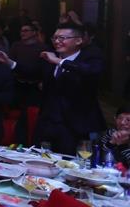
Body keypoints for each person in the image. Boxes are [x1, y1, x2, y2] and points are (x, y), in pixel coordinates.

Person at [33, 23, 105, 155]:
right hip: (49, 123)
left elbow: (90, 71)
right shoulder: (50, 57)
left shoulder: (91, 56)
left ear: (78, 40)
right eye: (55, 38)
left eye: (62, 38)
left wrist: (58, 61)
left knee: (71, 162)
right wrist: (10, 63)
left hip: (76, 125)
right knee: (42, 159)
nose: (57, 41)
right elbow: (32, 72)